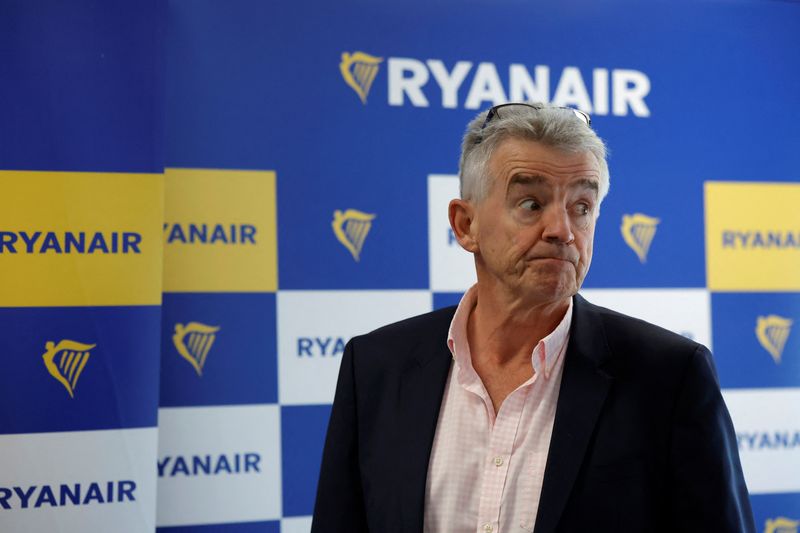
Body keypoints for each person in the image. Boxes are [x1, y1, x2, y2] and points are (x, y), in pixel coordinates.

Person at [311, 103, 754, 532]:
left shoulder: (669, 377)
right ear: (465, 225)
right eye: (530, 203)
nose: (562, 229)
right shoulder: (374, 367)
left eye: (581, 206)